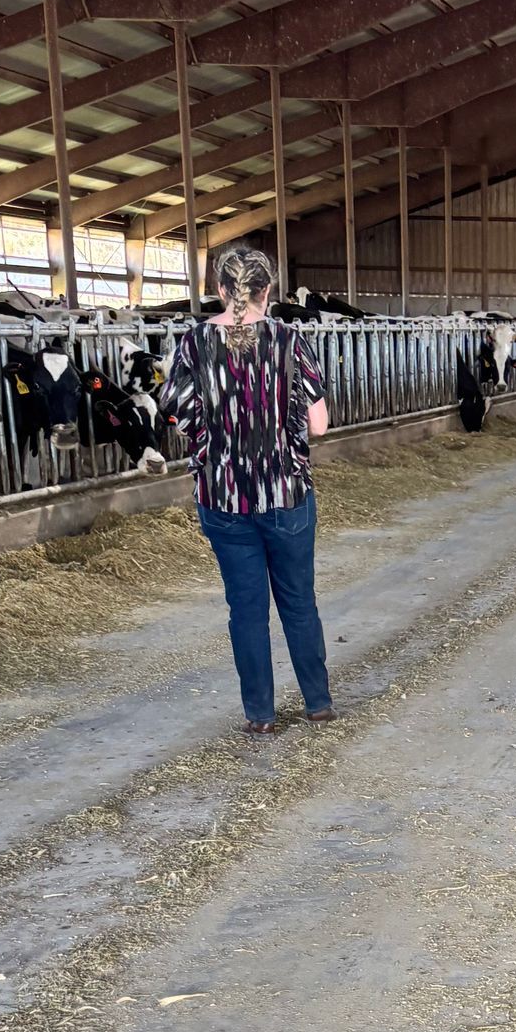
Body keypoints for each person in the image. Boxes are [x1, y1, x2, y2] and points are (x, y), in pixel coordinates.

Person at [160, 244, 335, 735]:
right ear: (268, 291)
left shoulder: (194, 343)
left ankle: (260, 716)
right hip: (286, 495)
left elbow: (176, 418)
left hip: (223, 498)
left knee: (247, 609)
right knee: (299, 601)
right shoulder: (288, 340)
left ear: (219, 289)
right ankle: (317, 704)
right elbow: (319, 425)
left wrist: (214, 435)